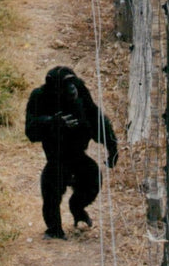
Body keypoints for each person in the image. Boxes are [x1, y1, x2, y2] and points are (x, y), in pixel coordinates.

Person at [25, 66, 118, 239]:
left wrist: (111, 144)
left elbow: (96, 118)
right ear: (53, 86)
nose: (72, 87)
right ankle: (54, 230)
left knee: (93, 179)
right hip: (56, 159)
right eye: (66, 84)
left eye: (72, 82)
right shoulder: (40, 97)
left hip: (78, 155)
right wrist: (52, 123)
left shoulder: (80, 90)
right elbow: (30, 132)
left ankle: (77, 207)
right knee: (51, 193)